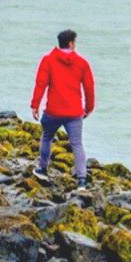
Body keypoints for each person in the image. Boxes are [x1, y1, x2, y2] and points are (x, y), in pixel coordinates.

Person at [30, 29, 96, 190]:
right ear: (71, 43)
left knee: (46, 138)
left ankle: (43, 170)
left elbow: (41, 83)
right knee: (77, 144)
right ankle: (81, 180)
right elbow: (89, 87)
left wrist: (35, 105)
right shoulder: (82, 63)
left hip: (53, 111)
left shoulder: (48, 60)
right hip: (74, 112)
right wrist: (89, 108)